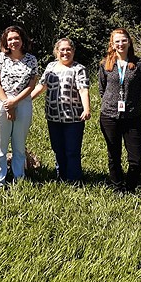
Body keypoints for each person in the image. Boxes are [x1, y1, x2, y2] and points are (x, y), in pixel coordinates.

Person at [98, 28, 141, 194]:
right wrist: (112, 101)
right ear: (112, 45)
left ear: (129, 42)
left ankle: (130, 187)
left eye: (123, 40)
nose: (120, 44)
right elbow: (102, 89)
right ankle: (118, 187)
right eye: (117, 41)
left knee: (136, 158)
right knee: (114, 154)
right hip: (109, 116)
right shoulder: (105, 64)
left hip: (132, 116)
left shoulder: (140, 65)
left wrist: (131, 101)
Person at [31, 38, 91, 183]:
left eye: (68, 49)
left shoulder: (79, 69)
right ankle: (61, 176)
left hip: (73, 118)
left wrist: (87, 108)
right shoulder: (51, 67)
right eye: (62, 50)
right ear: (56, 52)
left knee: (72, 150)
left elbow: (83, 90)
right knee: (58, 149)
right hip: (53, 117)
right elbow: (41, 86)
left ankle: (74, 179)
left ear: (73, 51)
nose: (65, 52)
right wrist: (26, 100)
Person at [0, 25, 38, 187]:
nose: (13, 42)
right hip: (0, 102)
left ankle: (19, 178)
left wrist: (15, 102)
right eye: (10, 39)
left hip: (23, 103)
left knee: (19, 145)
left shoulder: (31, 59)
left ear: (22, 40)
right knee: (0, 145)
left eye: (16, 38)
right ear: (5, 41)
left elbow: (31, 85)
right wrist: (7, 104)